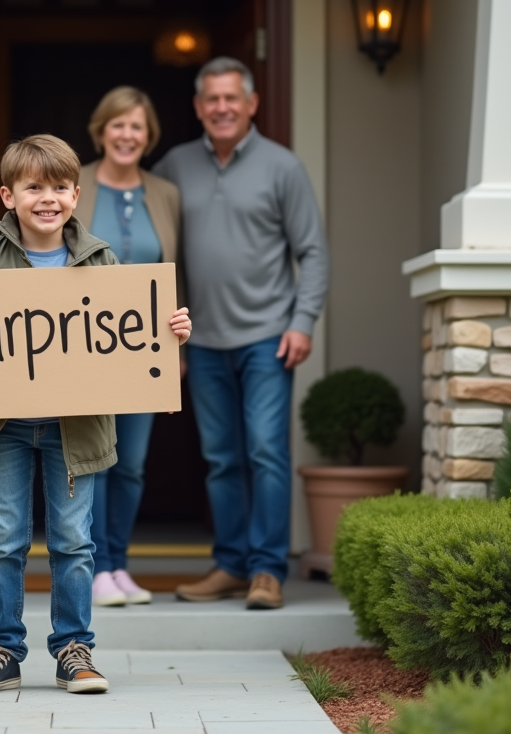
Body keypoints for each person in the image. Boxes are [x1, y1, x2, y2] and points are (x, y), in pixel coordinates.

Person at [0, 134, 192, 694]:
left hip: (75, 430)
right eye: (34, 187)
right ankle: (1, 653)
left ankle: (75, 652)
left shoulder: (102, 260)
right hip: (2, 427)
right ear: (9, 196)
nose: (48, 198)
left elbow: (130, 339)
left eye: (60, 187)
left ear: (76, 195)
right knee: (4, 541)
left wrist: (170, 332)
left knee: (73, 542)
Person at [152, 57, 329, 611]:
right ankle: (230, 564)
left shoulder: (283, 167)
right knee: (223, 457)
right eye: (212, 99)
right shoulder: (175, 166)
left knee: (265, 452)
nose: (222, 108)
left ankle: (267, 571)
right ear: (198, 107)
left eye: (232, 98)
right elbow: (154, 251)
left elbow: (313, 251)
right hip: (200, 342)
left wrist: (303, 322)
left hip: (267, 339)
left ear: (251, 104)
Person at [72, 86, 181, 608]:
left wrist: (177, 348)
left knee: (132, 461)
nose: (126, 134)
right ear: (101, 130)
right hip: (85, 345)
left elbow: (176, 273)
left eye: (136, 126)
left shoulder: (165, 193)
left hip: (147, 350)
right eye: (118, 124)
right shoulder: (76, 185)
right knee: (95, 457)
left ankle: (119, 565)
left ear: (148, 135)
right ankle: (93, 566)